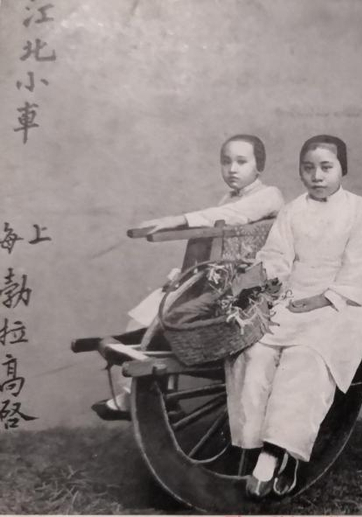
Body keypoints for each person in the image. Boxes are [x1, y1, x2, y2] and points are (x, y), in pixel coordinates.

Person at [224, 134, 362, 499]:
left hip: (339, 304)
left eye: (326, 167)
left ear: (343, 168)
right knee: (255, 351)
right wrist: (257, 280)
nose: (317, 176)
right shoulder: (293, 210)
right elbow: (277, 258)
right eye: (308, 168)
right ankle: (255, 445)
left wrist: (321, 300)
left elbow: (359, 272)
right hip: (292, 298)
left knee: (305, 356)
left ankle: (276, 452)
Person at [91, 134, 284, 421]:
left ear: (260, 166)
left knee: (166, 321)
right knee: (146, 319)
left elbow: (234, 215)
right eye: (226, 161)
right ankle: (142, 393)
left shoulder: (269, 196)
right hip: (214, 277)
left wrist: (176, 220)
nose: (232, 169)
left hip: (245, 286)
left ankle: (139, 395)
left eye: (242, 162)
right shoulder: (229, 197)